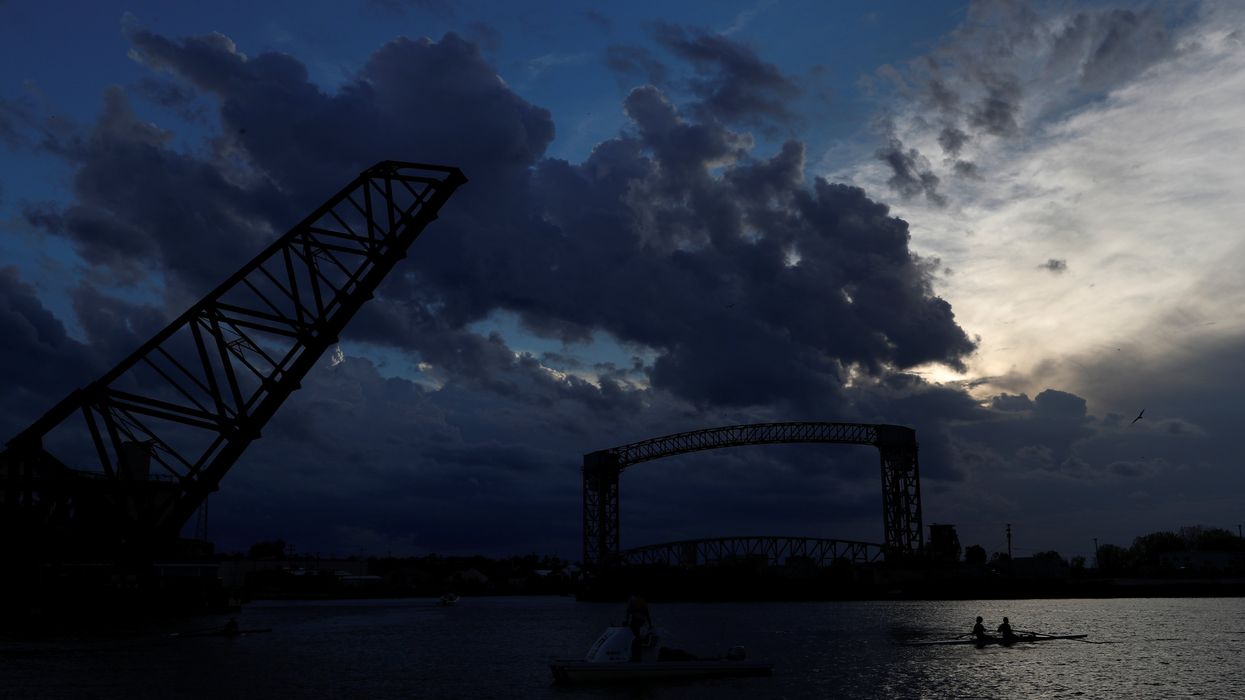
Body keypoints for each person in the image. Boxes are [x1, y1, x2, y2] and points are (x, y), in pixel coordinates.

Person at [623, 596, 653, 661]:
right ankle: (637, 645)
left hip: (636, 619)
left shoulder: (632, 601)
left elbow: (628, 612)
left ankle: (636, 646)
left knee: (634, 631)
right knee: (636, 631)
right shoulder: (642, 601)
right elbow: (647, 614)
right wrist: (650, 624)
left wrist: (626, 621)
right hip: (642, 620)